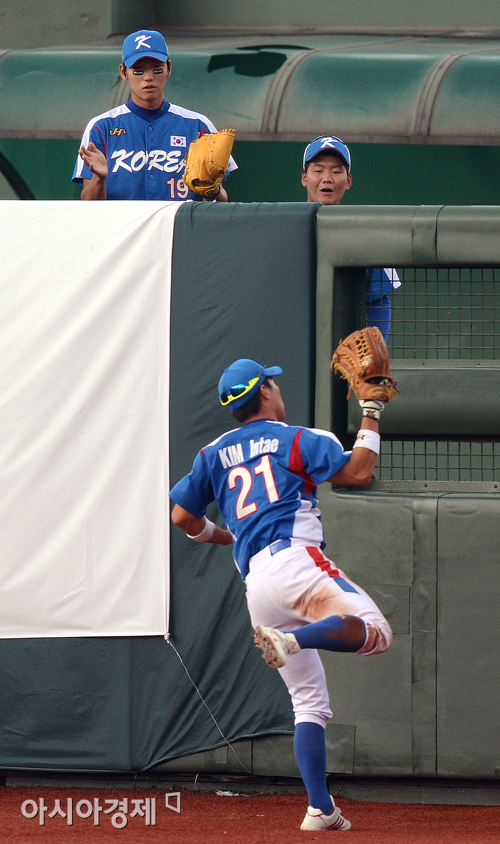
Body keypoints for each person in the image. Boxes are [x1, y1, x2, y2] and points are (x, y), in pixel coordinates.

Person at [170, 358, 392, 832]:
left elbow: (182, 518)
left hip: (257, 585)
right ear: (266, 391)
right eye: (273, 381)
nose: (277, 388)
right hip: (296, 562)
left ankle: (320, 810)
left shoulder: (211, 453)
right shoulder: (298, 438)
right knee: (377, 632)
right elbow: (358, 472)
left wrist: (225, 537)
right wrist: (371, 409)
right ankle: (294, 640)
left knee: (309, 703)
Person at [72, 30, 236, 202]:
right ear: (123, 72)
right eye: (138, 71)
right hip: (124, 228)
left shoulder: (198, 125)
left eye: (157, 69)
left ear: (169, 69)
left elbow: (220, 203)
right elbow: (89, 204)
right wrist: (99, 178)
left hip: (178, 226)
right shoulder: (101, 127)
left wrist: (212, 191)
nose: (148, 78)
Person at [301, 135, 400, 340]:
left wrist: (370, 355)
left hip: (343, 347)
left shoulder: (365, 233)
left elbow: (378, 302)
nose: (326, 178)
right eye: (318, 170)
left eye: (336, 171)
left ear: (348, 181)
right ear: (304, 178)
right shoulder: (283, 229)